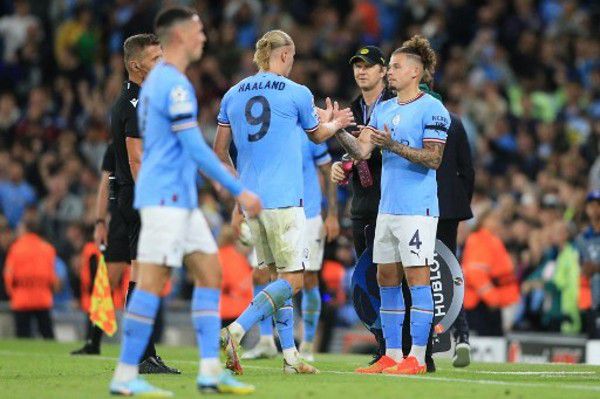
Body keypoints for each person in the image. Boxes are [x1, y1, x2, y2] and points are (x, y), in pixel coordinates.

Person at [109, 7, 261, 396]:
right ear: (179, 37)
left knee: (211, 273)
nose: (204, 38)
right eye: (198, 31)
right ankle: (125, 376)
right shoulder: (172, 84)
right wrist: (237, 187)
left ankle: (210, 371)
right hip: (164, 199)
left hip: (180, 199)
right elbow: (193, 144)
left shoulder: (162, 82)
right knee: (152, 283)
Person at [213, 29, 353, 375]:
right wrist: (335, 123)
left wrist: (238, 188)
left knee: (275, 278)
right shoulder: (297, 92)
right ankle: (237, 329)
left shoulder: (232, 94)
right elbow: (318, 135)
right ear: (285, 55)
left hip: (251, 203)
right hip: (286, 200)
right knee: (292, 281)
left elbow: (219, 151)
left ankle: (290, 357)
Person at [334, 35, 450, 375]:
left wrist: (395, 146)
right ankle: (393, 354)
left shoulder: (432, 108)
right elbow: (361, 152)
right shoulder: (384, 109)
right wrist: (338, 129)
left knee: (416, 278)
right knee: (386, 277)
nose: (391, 73)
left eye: (396, 67)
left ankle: (417, 355)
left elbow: (434, 159)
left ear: (415, 72)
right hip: (387, 209)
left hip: (417, 209)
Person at [239, 131, 339, 362]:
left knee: (307, 278)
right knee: (261, 274)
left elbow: (327, 169)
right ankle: (266, 341)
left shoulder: (309, 133)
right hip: (273, 211)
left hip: (309, 213)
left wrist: (332, 213)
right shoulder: (267, 132)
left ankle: (307, 343)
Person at [462, 208, 520, 336]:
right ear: (483, 221)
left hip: (491, 302)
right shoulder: (480, 239)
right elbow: (476, 274)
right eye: (493, 219)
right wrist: (493, 299)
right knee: (489, 344)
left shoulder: (491, 239)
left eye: (498, 219)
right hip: (482, 304)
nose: (497, 222)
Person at [3, 209, 57, 339]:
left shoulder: (15, 248)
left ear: (25, 229)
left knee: (23, 336)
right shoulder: (48, 248)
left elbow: (9, 276)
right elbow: (52, 277)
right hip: (42, 297)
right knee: (48, 335)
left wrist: (13, 293)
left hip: (22, 297)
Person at [576, 191, 600, 338]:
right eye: (591, 205)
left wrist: (596, 267)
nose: (595, 209)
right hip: (592, 298)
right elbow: (581, 264)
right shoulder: (583, 238)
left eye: (598, 205)